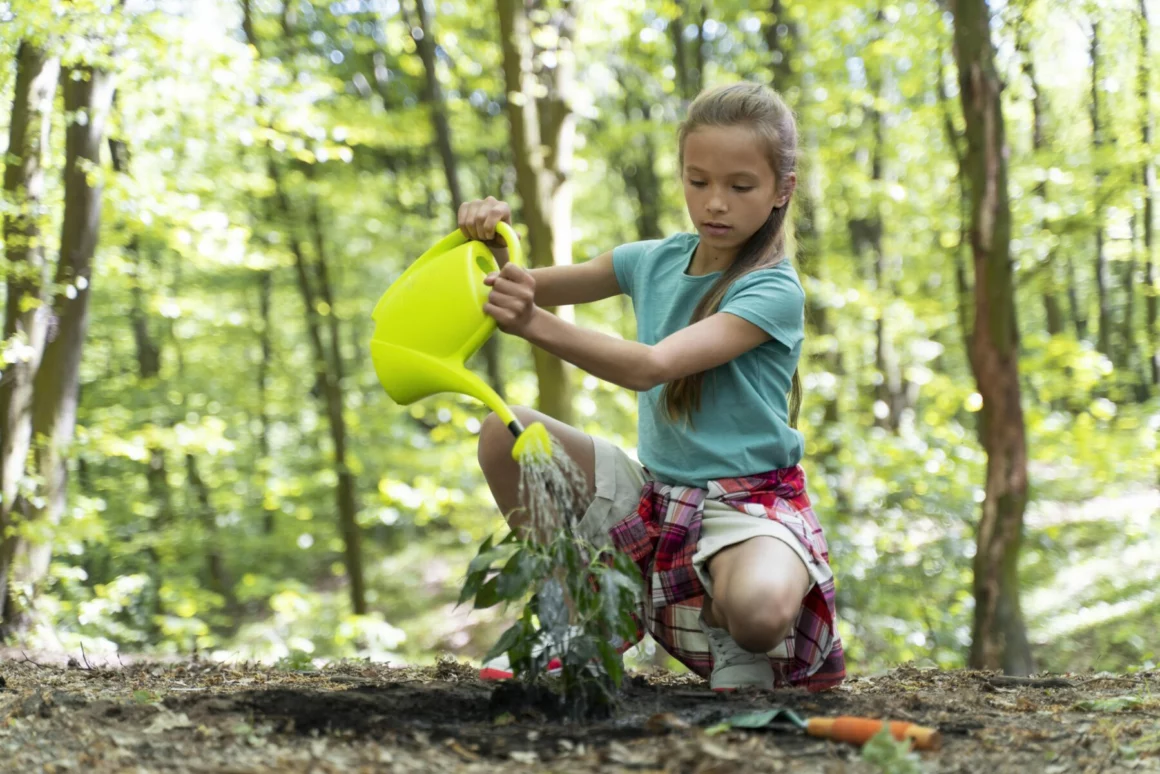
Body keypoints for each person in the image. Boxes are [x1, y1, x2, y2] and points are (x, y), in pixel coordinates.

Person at [461, 81, 844, 692]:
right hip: (655, 498)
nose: (715, 203)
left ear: (782, 190)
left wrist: (532, 323)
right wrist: (484, 242)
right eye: (698, 181)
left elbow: (652, 366)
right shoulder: (651, 260)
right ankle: (578, 618)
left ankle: (723, 622)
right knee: (504, 433)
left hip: (745, 506)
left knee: (759, 614)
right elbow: (515, 283)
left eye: (740, 186)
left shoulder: (772, 289)